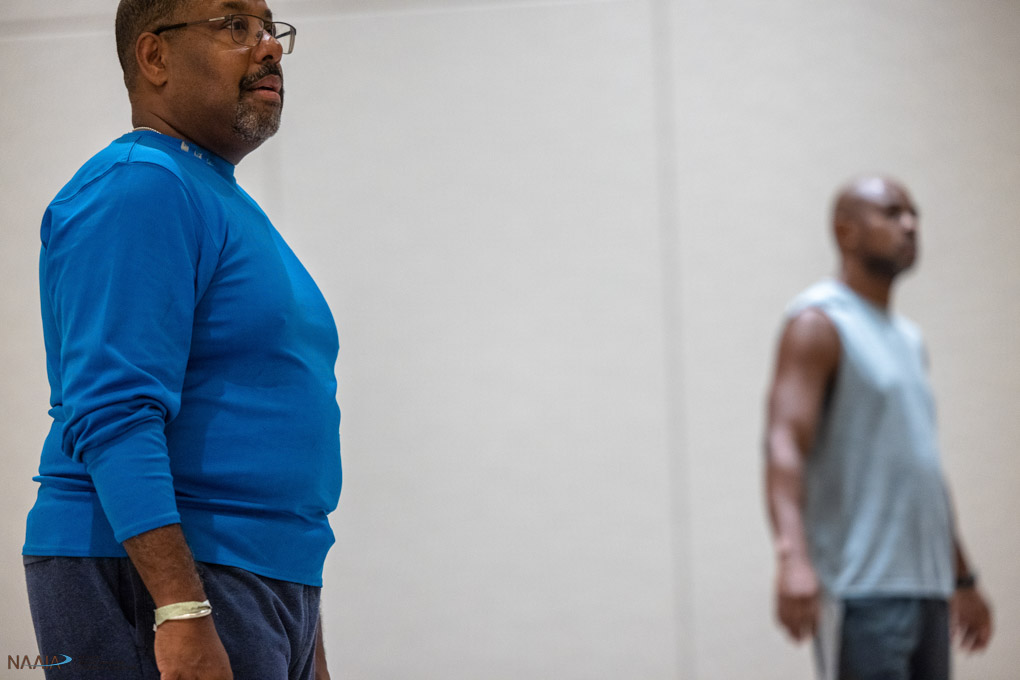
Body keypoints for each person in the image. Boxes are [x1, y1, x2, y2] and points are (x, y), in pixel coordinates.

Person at [23, 1, 340, 678]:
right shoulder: (140, 184)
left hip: (252, 576)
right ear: (155, 56)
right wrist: (180, 609)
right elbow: (114, 411)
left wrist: (305, 632)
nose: (268, 48)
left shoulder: (212, 193)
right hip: (161, 578)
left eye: (269, 27)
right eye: (235, 26)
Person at [764, 176, 993, 680]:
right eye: (891, 213)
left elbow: (921, 470)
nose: (909, 225)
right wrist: (792, 556)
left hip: (927, 589)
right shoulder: (820, 323)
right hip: (861, 590)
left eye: (914, 214)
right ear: (845, 231)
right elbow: (785, 442)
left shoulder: (908, 340)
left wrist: (962, 578)